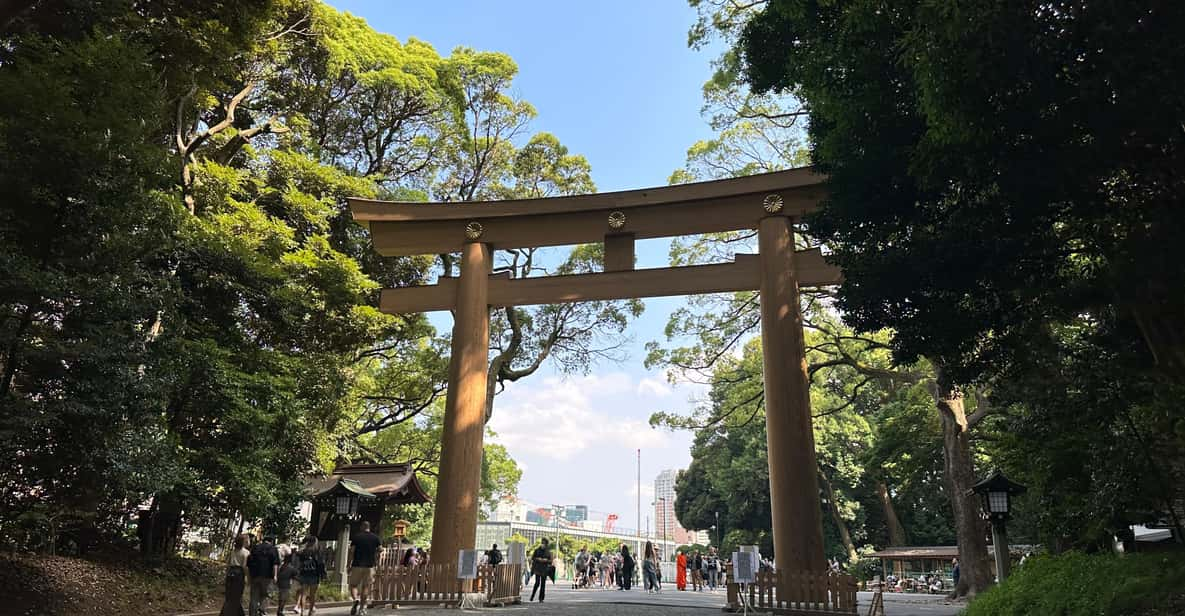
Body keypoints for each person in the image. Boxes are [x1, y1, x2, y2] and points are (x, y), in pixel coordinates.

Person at [348, 521, 381, 616]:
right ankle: (362, 609)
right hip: (370, 566)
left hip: (357, 564)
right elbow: (380, 549)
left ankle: (355, 600)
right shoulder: (375, 538)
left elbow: (352, 551)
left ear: (362, 527)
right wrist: (375, 556)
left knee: (353, 585)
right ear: (369, 527)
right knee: (365, 587)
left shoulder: (357, 537)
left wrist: (348, 564)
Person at [247, 535, 280, 616]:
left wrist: (249, 575)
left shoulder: (255, 548)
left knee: (254, 597)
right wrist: (275, 575)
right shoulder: (273, 549)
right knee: (265, 595)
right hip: (267, 576)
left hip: (255, 575)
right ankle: (261, 611)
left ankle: (252, 614)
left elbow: (249, 561)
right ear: (271, 541)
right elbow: (275, 563)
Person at [293, 536, 326, 616]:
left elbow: (299, 561)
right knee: (312, 595)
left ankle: (302, 611)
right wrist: (323, 574)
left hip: (304, 574)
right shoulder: (317, 551)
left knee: (303, 594)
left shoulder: (304, 551)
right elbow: (321, 563)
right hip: (314, 575)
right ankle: (311, 611)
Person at [220, 534, 251, 616]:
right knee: (237, 595)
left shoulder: (233, 551)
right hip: (239, 575)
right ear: (245, 542)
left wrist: (226, 574)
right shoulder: (246, 553)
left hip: (230, 573)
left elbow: (228, 564)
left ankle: (227, 612)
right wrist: (247, 578)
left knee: (229, 595)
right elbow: (245, 566)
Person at [529, 538, 553, 602]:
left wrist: (546, 560)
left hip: (544, 569)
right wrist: (538, 559)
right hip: (537, 568)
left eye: (544, 543)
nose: (542, 544)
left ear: (546, 544)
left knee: (543, 584)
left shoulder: (549, 552)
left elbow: (551, 561)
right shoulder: (537, 550)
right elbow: (533, 558)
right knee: (537, 583)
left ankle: (541, 598)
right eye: (542, 543)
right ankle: (532, 596)